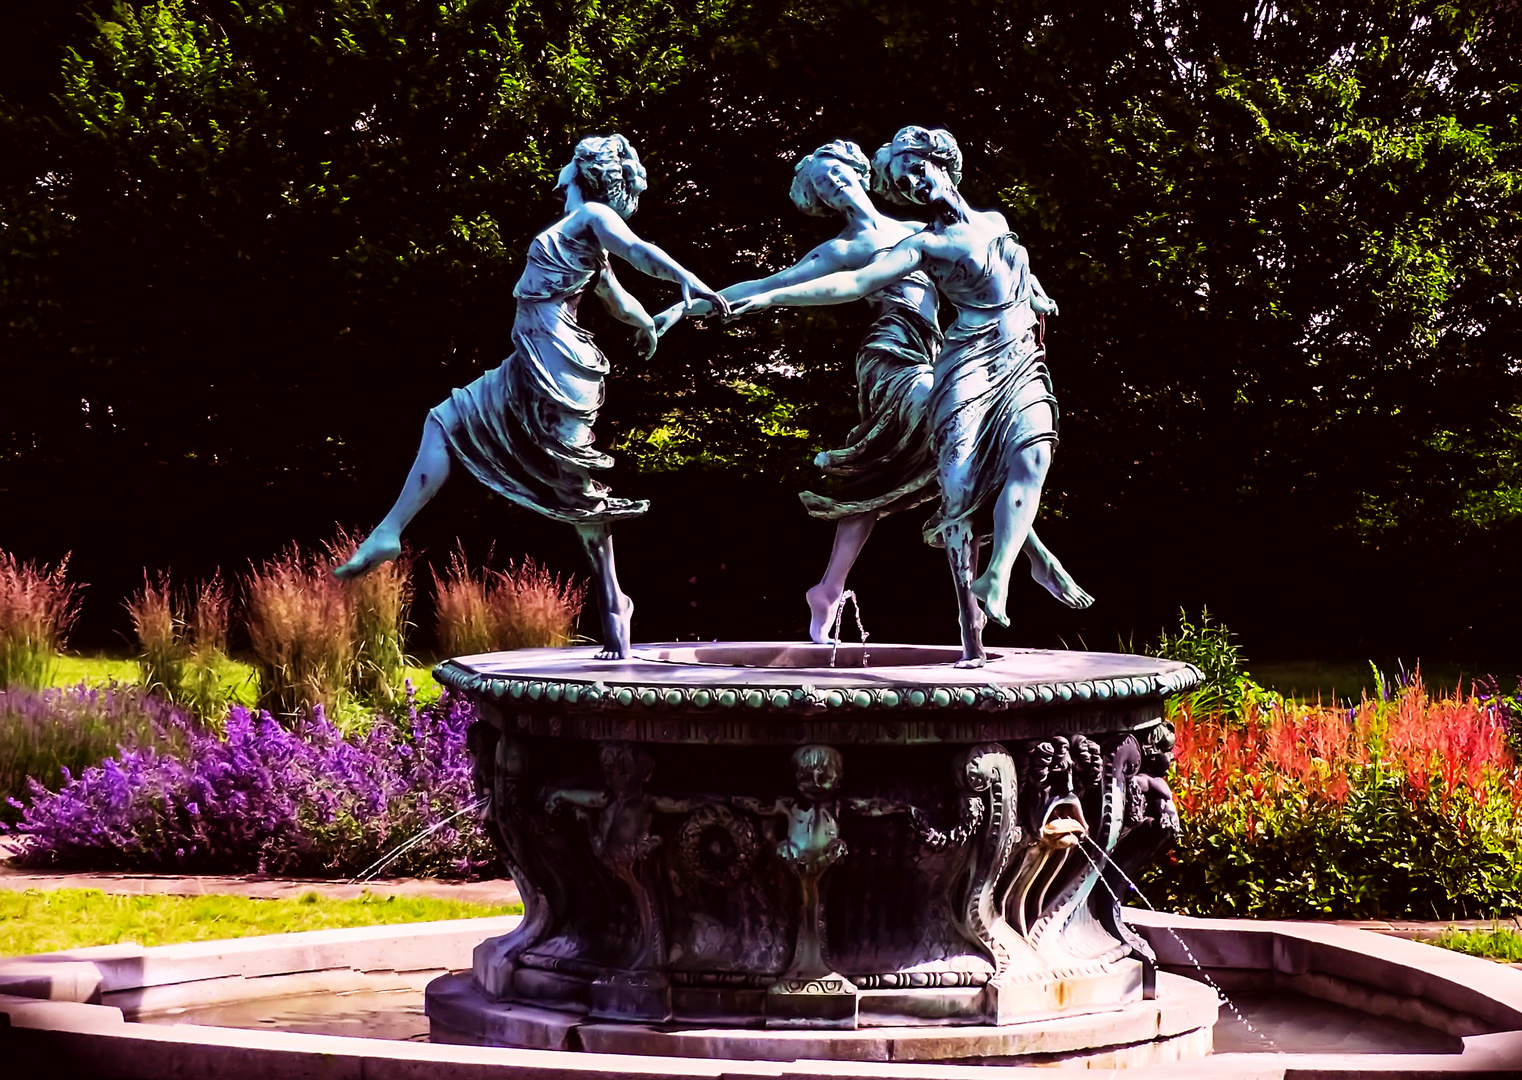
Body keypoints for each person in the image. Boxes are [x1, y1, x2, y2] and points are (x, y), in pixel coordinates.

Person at [661, 139, 1090, 645]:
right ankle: (1031, 560)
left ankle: (829, 587)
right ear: (820, 200)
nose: (835, 186)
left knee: (886, 474)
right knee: (959, 443)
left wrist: (1034, 294)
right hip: (892, 358)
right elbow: (776, 282)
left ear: (860, 171)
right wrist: (708, 306)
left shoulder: (920, 229)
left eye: (838, 173)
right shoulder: (841, 249)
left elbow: (998, 269)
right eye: (823, 185)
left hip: (941, 355)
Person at [334, 135, 728, 659]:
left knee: (577, 490)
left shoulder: (592, 214)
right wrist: (646, 328)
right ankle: (389, 530)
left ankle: (614, 602)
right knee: (444, 419)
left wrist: (689, 283)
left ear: (584, 171)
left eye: (571, 158)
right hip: (527, 362)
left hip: (559, 363)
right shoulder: (579, 232)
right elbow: (617, 297)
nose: (561, 164)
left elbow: (638, 252)